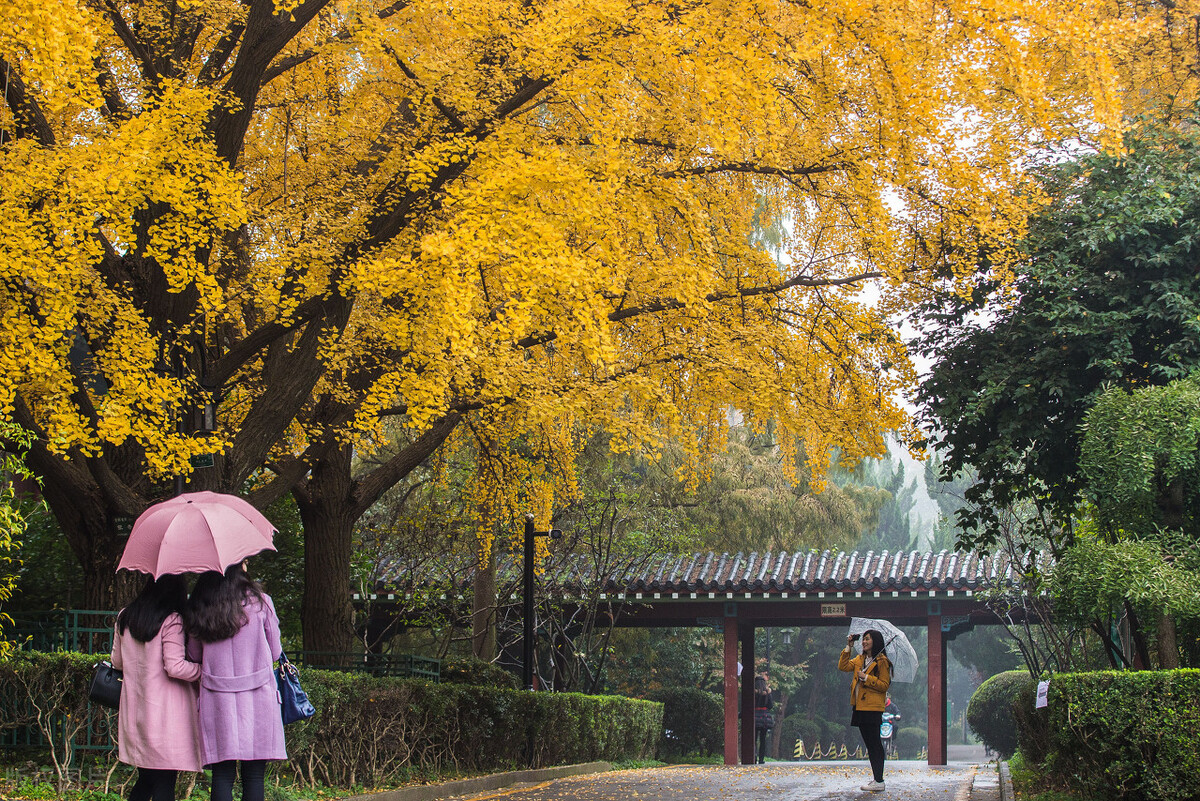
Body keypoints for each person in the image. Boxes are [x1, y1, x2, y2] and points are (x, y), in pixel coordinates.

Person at [184, 562, 285, 801]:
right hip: (259, 694)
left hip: (217, 698)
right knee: (254, 775)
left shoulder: (200, 605)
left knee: (222, 774)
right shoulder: (261, 602)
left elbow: (194, 655)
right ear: (239, 567)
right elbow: (275, 652)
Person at [111, 574, 203, 801]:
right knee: (163, 781)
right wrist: (205, 671)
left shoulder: (125, 616)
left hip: (136, 711)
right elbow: (175, 666)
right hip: (165, 715)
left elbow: (117, 662)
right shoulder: (172, 620)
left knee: (147, 779)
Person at [839, 629, 892, 793]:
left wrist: (867, 678)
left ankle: (879, 780)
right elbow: (843, 666)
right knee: (869, 744)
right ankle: (877, 778)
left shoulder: (882, 661)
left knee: (875, 743)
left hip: (873, 707)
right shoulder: (860, 659)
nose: (864, 642)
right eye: (863, 639)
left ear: (875, 641)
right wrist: (848, 646)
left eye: (867, 639)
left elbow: (884, 685)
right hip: (860, 706)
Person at [753, 674, 774, 764]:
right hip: (764, 718)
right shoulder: (768, 693)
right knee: (763, 739)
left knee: (753, 739)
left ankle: (753, 757)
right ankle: (761, 759)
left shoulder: (753, 693)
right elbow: (770, 705)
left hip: (754, 717)